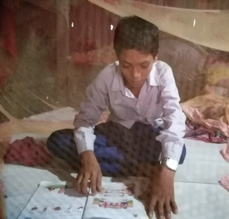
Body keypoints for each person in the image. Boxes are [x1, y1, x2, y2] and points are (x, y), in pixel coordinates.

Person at [47, 16, 186, 219]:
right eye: (127, 65)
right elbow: (86, 120)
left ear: (156, 57)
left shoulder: (164, 72)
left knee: (178, 153)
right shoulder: (107, 76)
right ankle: (143, 168)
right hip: (117, 133)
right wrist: (88, 157)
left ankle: (133, 166)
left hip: (149, 136)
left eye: (144, 65)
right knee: (57, 142)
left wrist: (167, 175)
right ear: (117, 56)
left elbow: (175, 118)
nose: (136, 75)